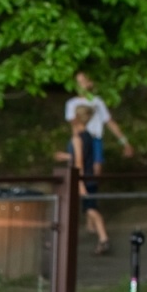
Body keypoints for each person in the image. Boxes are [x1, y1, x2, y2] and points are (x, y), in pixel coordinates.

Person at [55, 104, 111, 254]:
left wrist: (80, 184)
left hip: (83, 179)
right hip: (90, 176)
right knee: (89, 208)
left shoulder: (78, 138)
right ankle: (100, 236)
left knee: (90, 208)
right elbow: (85, 156)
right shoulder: (88, 135)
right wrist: (67, 156)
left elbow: (79, 162)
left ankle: (103, 238)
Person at [65, 71, 134, 173]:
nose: (81, 85)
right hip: (81, 139)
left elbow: (109, 122)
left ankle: (92, 188)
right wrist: (76, 141)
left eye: (83, 81)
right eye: (78, 82)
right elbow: (74, 125)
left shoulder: (97, 102)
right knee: (77, 168)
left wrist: (125, 142)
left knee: (96, 169)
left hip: (95, 138)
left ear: (90, 83)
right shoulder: (72, 103)